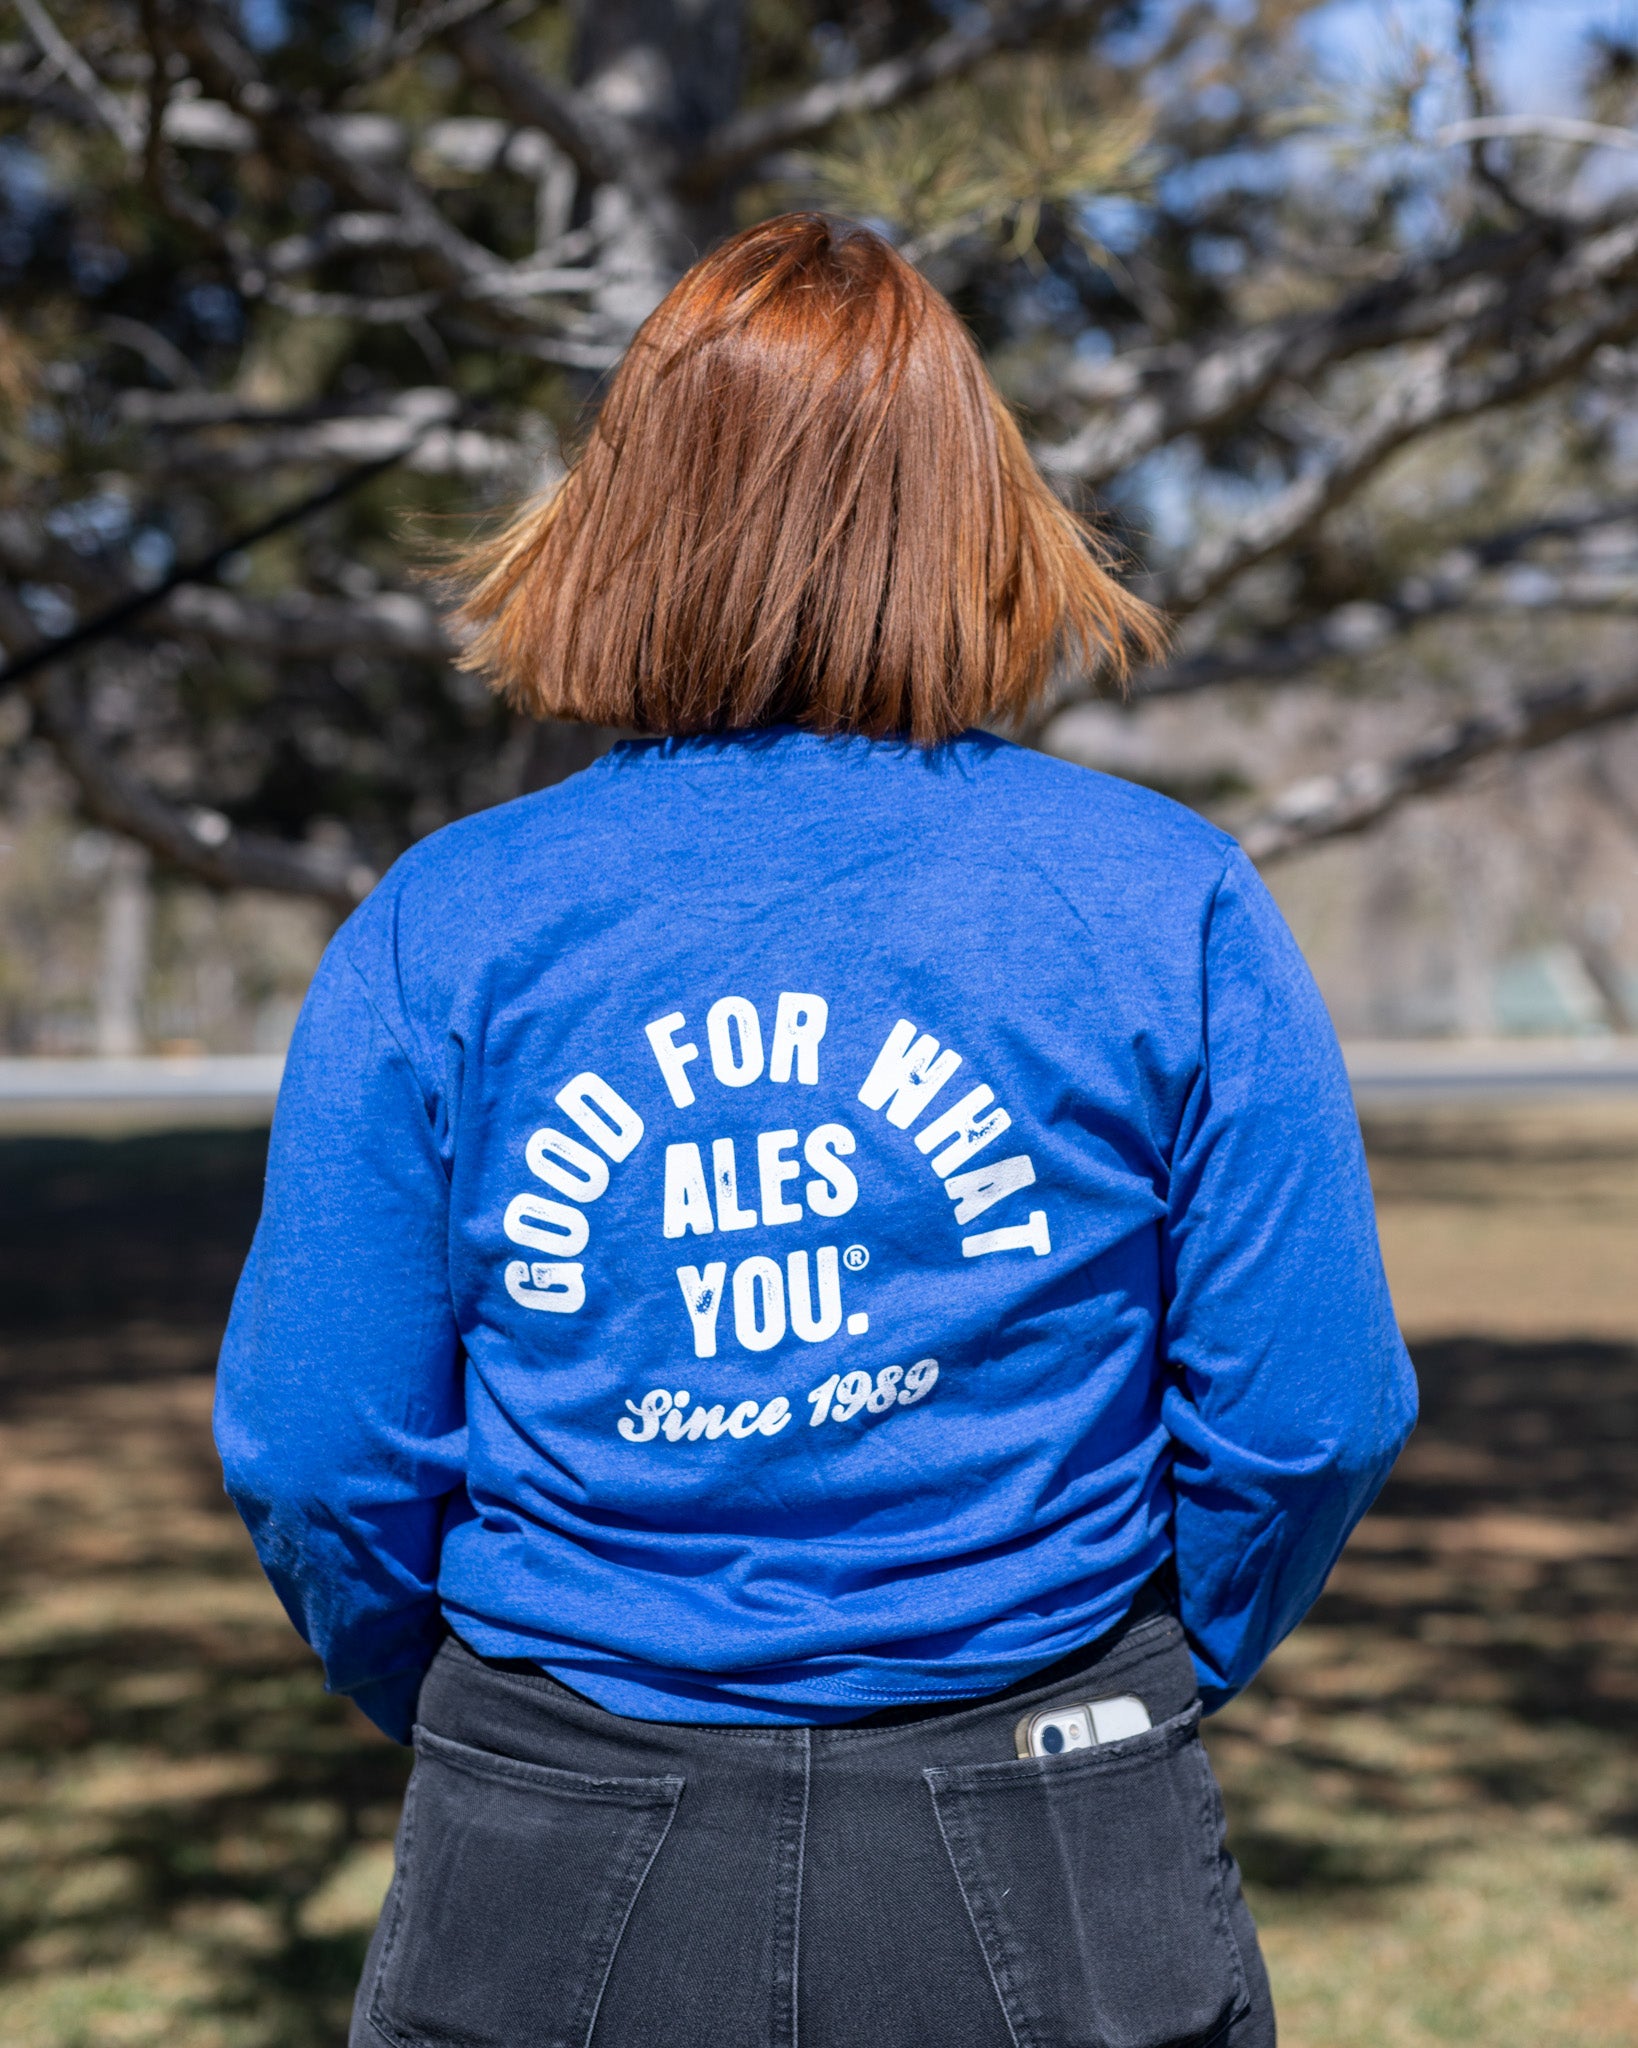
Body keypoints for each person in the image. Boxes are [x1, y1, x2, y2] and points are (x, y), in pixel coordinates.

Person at [215, 213, 1416, 2048]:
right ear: (977, 515)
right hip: (1050, 1828)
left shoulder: (451, 921)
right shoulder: (1155, 897)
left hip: (552, 1846)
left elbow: (318, 1450)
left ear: (618, 522)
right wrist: (1136, 1677)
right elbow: (1307, 1410)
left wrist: (500, 1717)